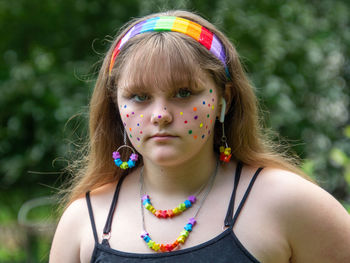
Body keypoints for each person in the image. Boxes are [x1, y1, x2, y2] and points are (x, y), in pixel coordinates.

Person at [49, 10, 350, 263]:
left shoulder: (288, 203)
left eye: (183, 93)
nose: (160, 114)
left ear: (224, 99)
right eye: (139, 96)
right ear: (116, 105)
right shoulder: (83, 222)